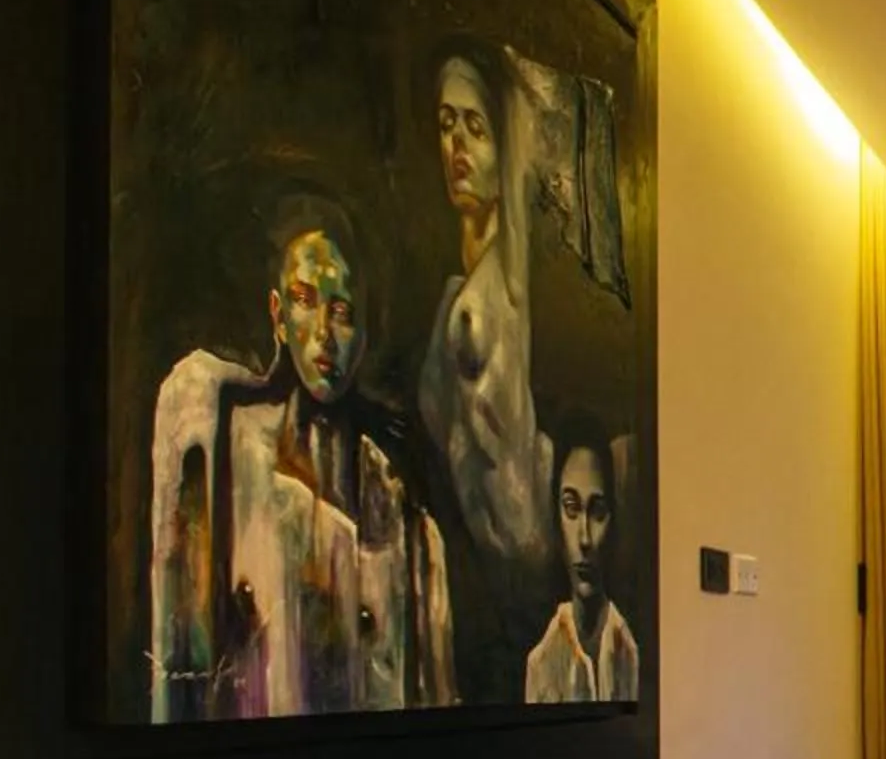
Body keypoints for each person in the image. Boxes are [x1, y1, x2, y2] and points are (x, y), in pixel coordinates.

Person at [149, 193, 454, 719]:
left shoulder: (393, 505)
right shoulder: (222, 445)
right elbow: (179, 668)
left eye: (340, 312)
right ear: (278, 314)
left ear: (363, 329)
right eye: (304, 299)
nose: (322, 336)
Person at [419, 42, 554, 569]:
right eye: (447, 124)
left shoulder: (507, 280)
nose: (457, 145)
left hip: (522, 544)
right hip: (481, 559)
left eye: (476, 128)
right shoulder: (455, 292)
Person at [523, 430, 639, 703]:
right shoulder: (541, 664)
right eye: (571, 508)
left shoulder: (631, 653)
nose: (585, 538)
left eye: (597, 512)